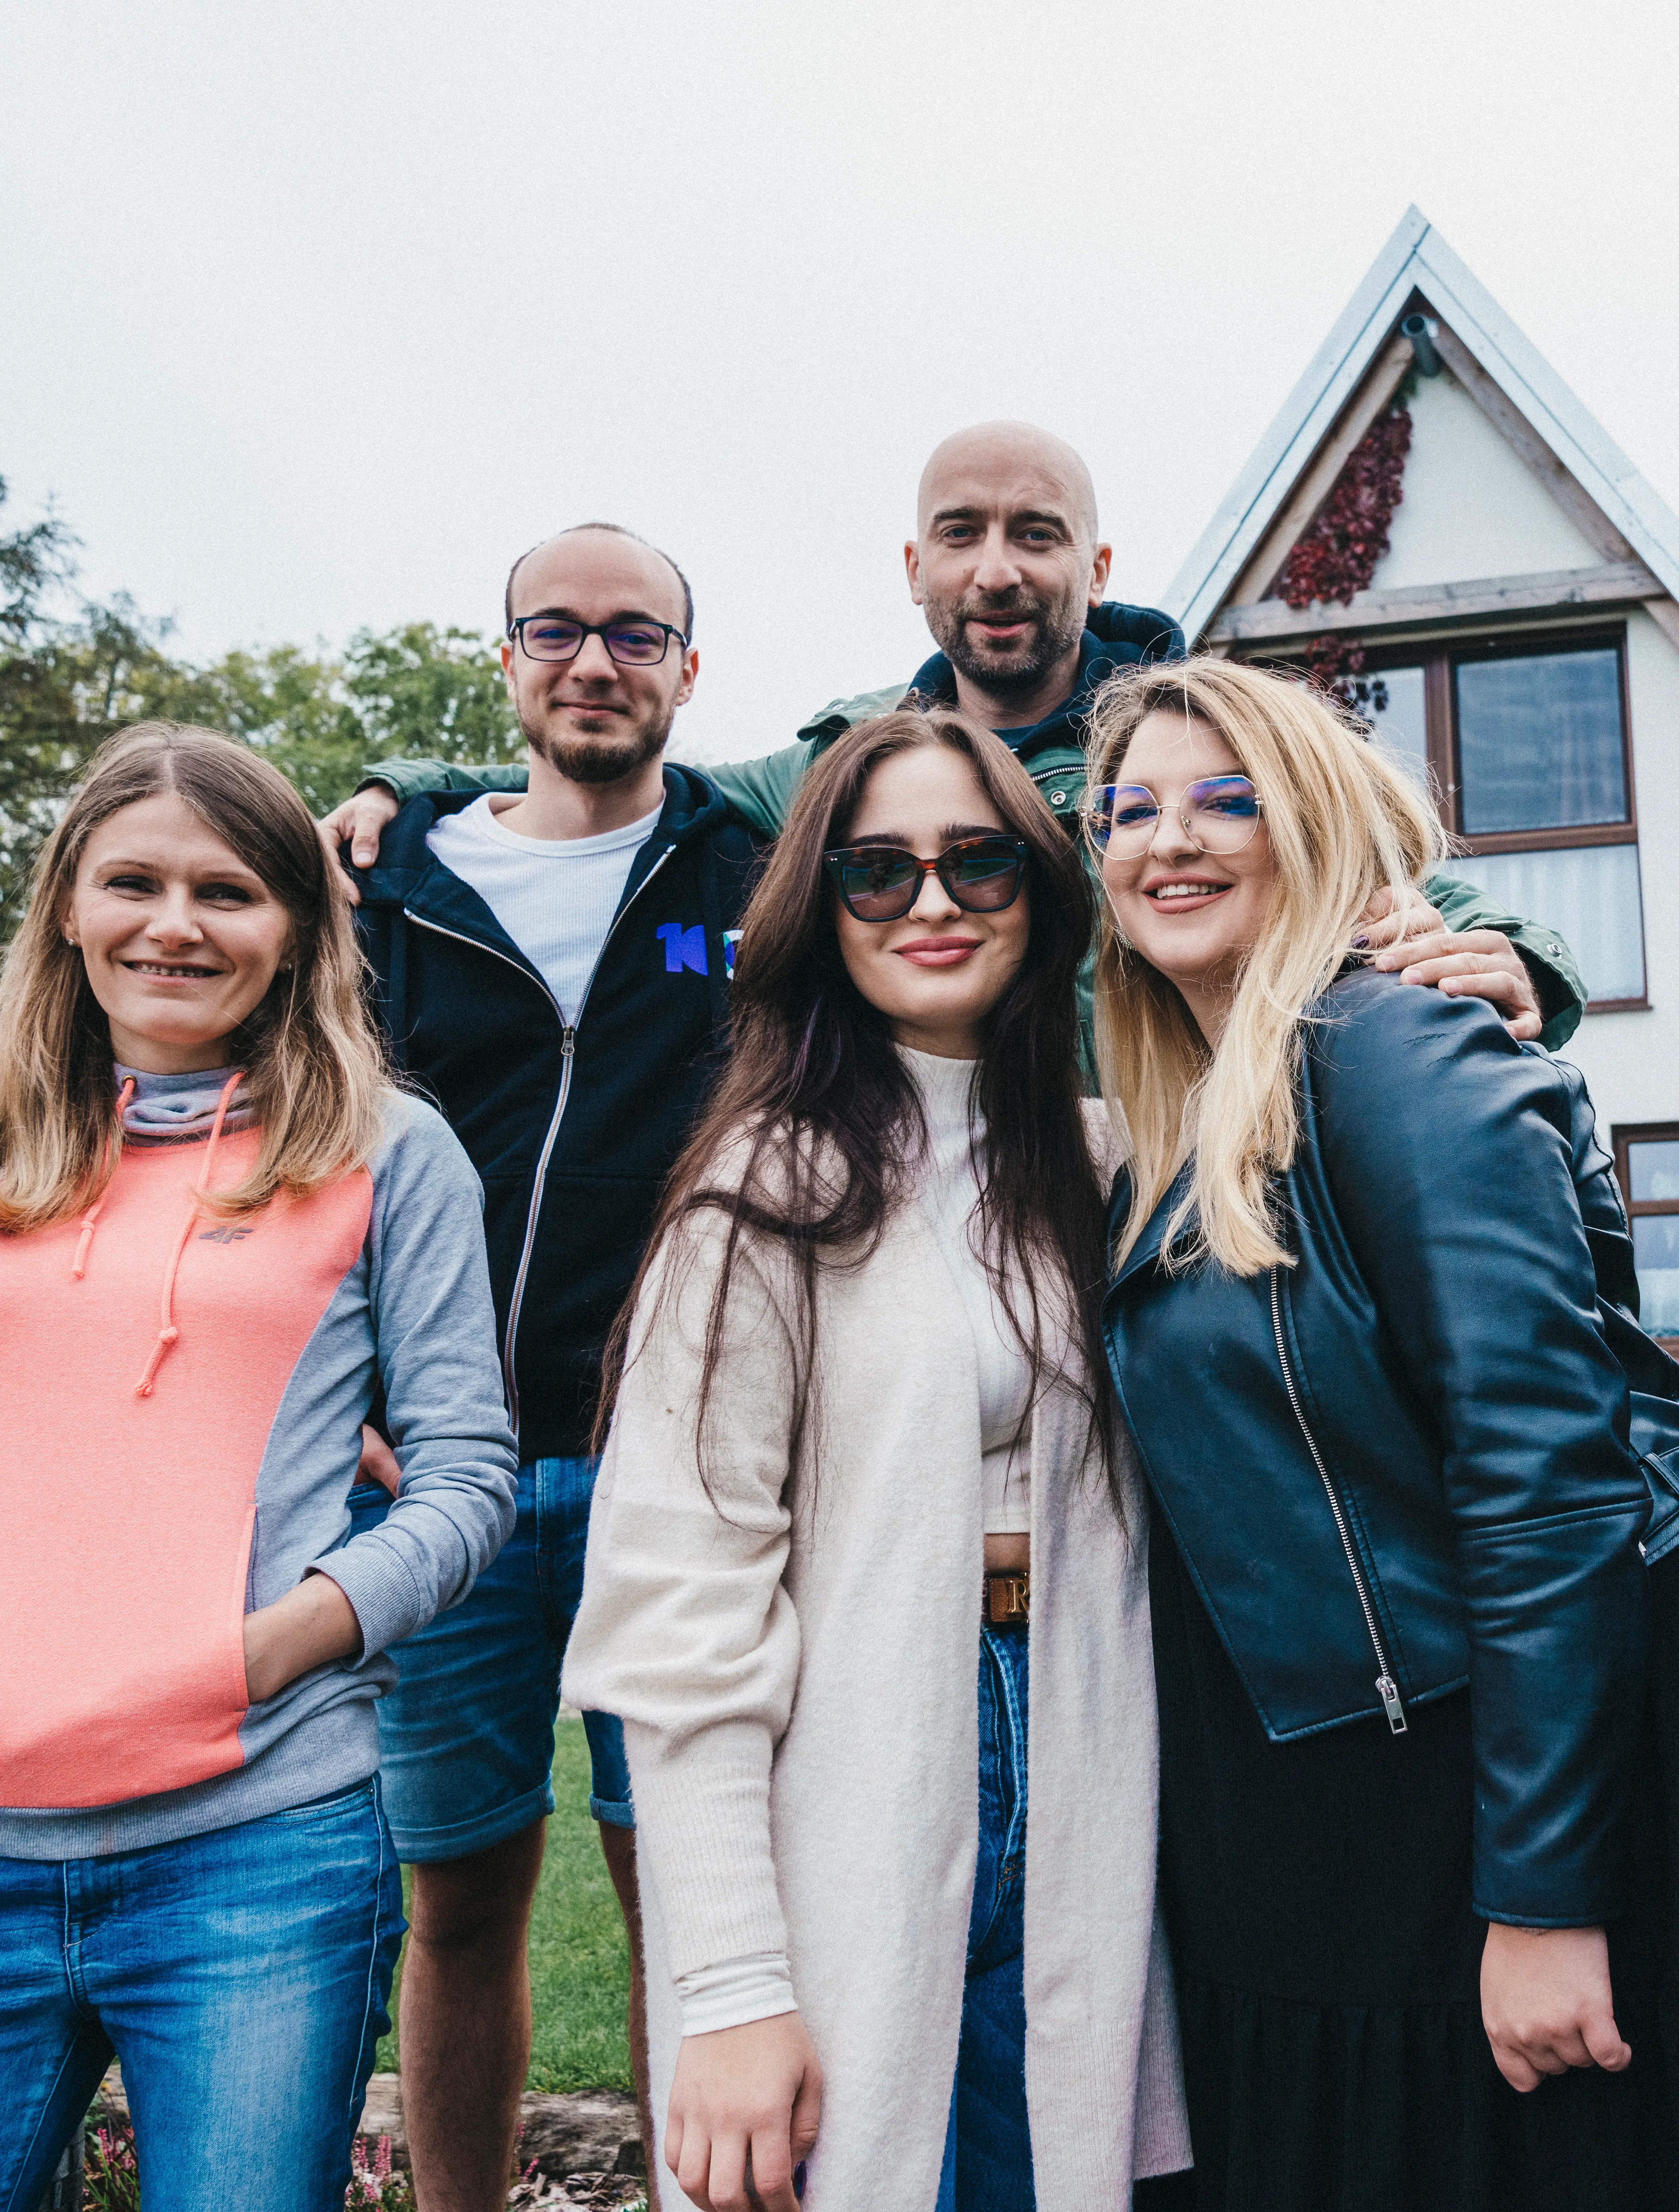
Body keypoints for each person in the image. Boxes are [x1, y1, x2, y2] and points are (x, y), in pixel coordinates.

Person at [1089, 659, 1679, 2212]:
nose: (1168, 839)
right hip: (1425, 1720)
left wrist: (1547, 1892)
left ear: (1319, 832)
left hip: (1611, 1701)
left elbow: (1543, 1475)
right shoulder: (1198, 1105)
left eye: (1227, 800)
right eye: (1129, 809)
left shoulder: (1395, 1049)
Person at [0, 724, 517, 2208]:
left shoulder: (388, 1150)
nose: (176, 925)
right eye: (134, 883)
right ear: (68, 905)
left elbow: (466, 1477)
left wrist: (273, 1646)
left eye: (228, 892)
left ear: (295, 927)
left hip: (256, 1853)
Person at [563, 707, 1185, 2212]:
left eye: (979, 862)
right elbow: (681, 1617)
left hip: (1095, 1755)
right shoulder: (760, 1194)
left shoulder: (1110, 1162)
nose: (931, 902)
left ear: (1040, 891)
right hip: (862, 1763)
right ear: (819, 907)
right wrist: (729, 1987)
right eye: (876, 870)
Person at [319, 422, 1585, 1050]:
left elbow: (1419, 885)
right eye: (962, 535)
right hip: (955, 1216)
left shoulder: (1212, 742)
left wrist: (1519, 961)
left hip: (1185, 1204)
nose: (997, 570)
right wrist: (413, 789)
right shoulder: (850, 762)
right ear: (914, 568)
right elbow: (634, 779)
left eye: (1036, 535)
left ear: (1094, 566)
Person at [346, 521, 766, 2211]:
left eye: (636, 633)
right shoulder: (390, 886)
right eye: (559, 630)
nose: (596, 661)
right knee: (456, 1899)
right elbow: (300, 1146)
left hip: (682, 1472)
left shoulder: (749, 879)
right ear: (507, 656)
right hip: (443, 1480)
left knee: (690, 1899)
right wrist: (342, 1387)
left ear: (687, 666)